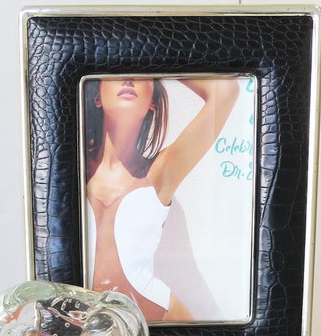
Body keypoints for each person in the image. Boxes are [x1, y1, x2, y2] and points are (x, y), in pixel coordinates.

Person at [84, 76, 239, 323]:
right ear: (96, 96)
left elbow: (226, 90)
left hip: (155, 321)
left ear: (153, 102)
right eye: (116, 72)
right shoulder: (68, 165)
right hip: (84, 335)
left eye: (140, 75)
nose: (128, 79)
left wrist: (156, 53)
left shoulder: (160, 172)